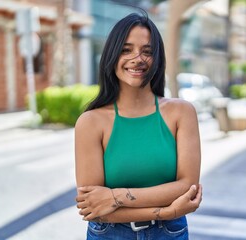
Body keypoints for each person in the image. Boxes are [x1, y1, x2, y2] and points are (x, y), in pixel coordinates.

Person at [74, 12, 202, 240]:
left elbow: (187, 187)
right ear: (112, 55)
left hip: (169, 233)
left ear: (158, 58)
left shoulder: (181, 113)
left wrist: (114, 197)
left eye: (147, 51)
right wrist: (168, 211)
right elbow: (92, 207)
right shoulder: (91, 122)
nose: (137, 58)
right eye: (126, 50)